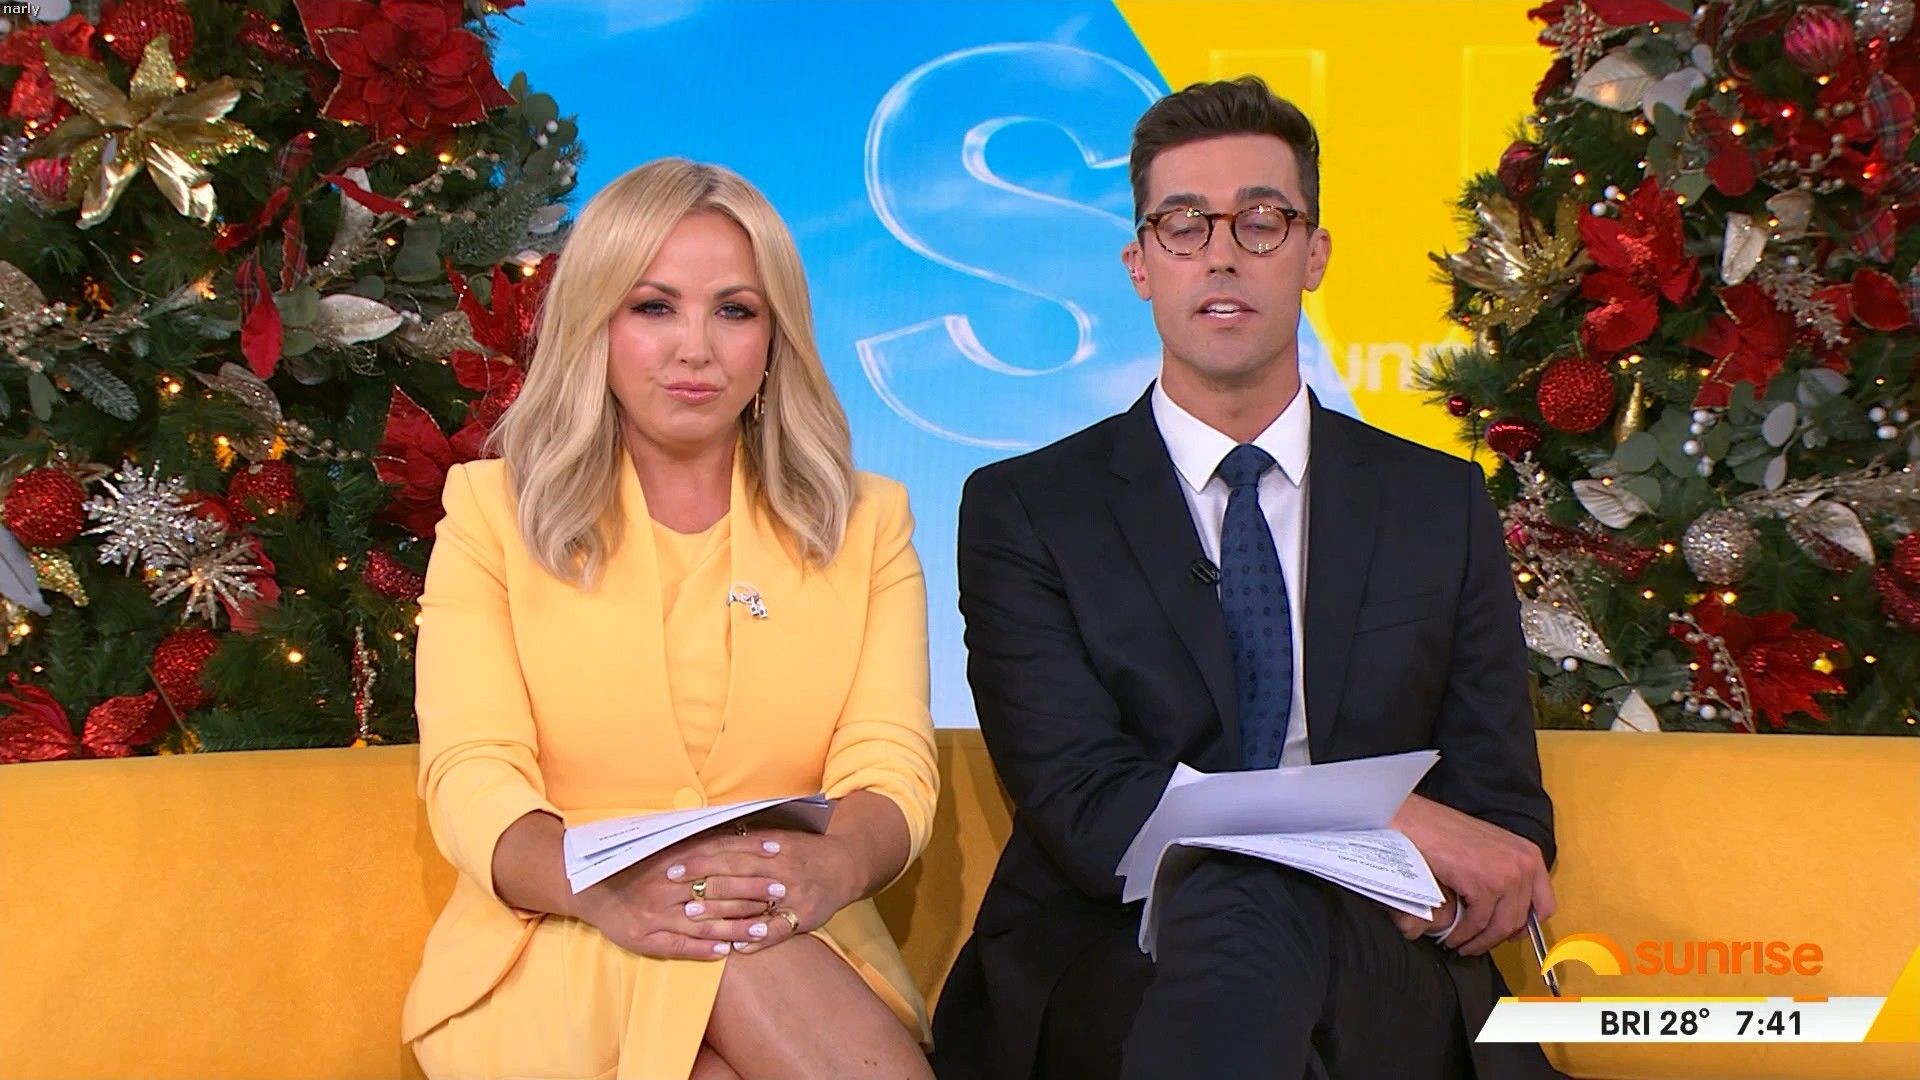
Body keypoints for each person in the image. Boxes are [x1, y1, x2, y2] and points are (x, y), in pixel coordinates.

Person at [929, 77, 1562, 1080]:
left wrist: (1395, 868)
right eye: (1185, 225)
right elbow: (1088, 807)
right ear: (1140, 265)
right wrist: (1375, 813)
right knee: (1241, 907)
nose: (1221, 253)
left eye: (1261, 222)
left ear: (1315, 254)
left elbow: (1501, 808)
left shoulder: (1437, 502)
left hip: (1376, 943)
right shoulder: (1027, 509)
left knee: (1272, 935)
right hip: (1118, 947)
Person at [402, 158, 939, 1080]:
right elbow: (471, 770)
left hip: (787, 922)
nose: (696, 348)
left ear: (774, 338)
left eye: (735, 310)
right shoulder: (492, 513)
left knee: (729, 963)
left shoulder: (865, 522)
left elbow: (887, 760)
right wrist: (603, 888)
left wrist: (832, 869)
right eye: (654, 307)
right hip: (559, 929)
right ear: (596, 325)